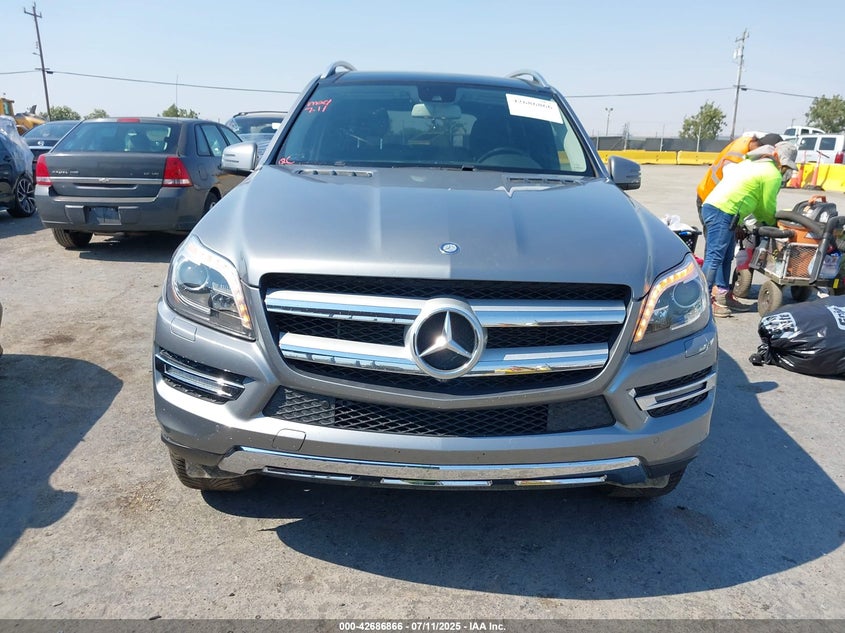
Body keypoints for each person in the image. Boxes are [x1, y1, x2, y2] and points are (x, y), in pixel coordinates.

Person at [700, 140, 798, 317]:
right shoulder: (772, 174)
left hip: (723, 210)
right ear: (777, 157)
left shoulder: (753, 163)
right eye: (785, 166)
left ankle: (723, 295)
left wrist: (752, 222)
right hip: (722, 211)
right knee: (715, 257)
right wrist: (772, 225)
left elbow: (754, 202)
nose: (784, 171)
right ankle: (703, 302)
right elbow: (766, 207)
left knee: (726, 257)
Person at [695, 132, 783, 232]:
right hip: (711, 199)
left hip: (720, 202)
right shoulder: (739, 152)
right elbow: (732, 185)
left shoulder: (748, 145)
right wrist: (738, 225)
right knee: (718, 236)